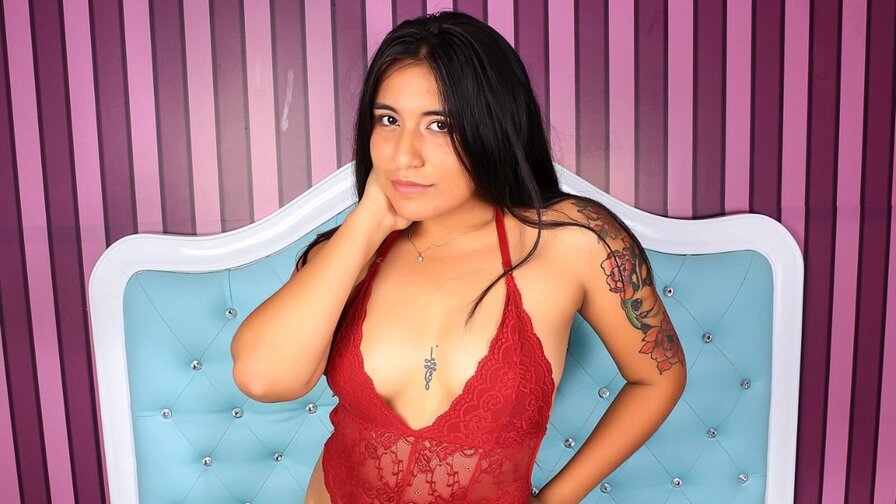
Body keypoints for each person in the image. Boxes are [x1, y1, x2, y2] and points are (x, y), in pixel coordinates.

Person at [231, 10, 687, 504]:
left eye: (439, 125)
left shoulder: (575, 239)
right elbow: (263, 379)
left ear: (492, 125)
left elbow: (658, 377)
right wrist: (368, 222)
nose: (404, 155)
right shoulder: (347, 254)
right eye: (388, 120)